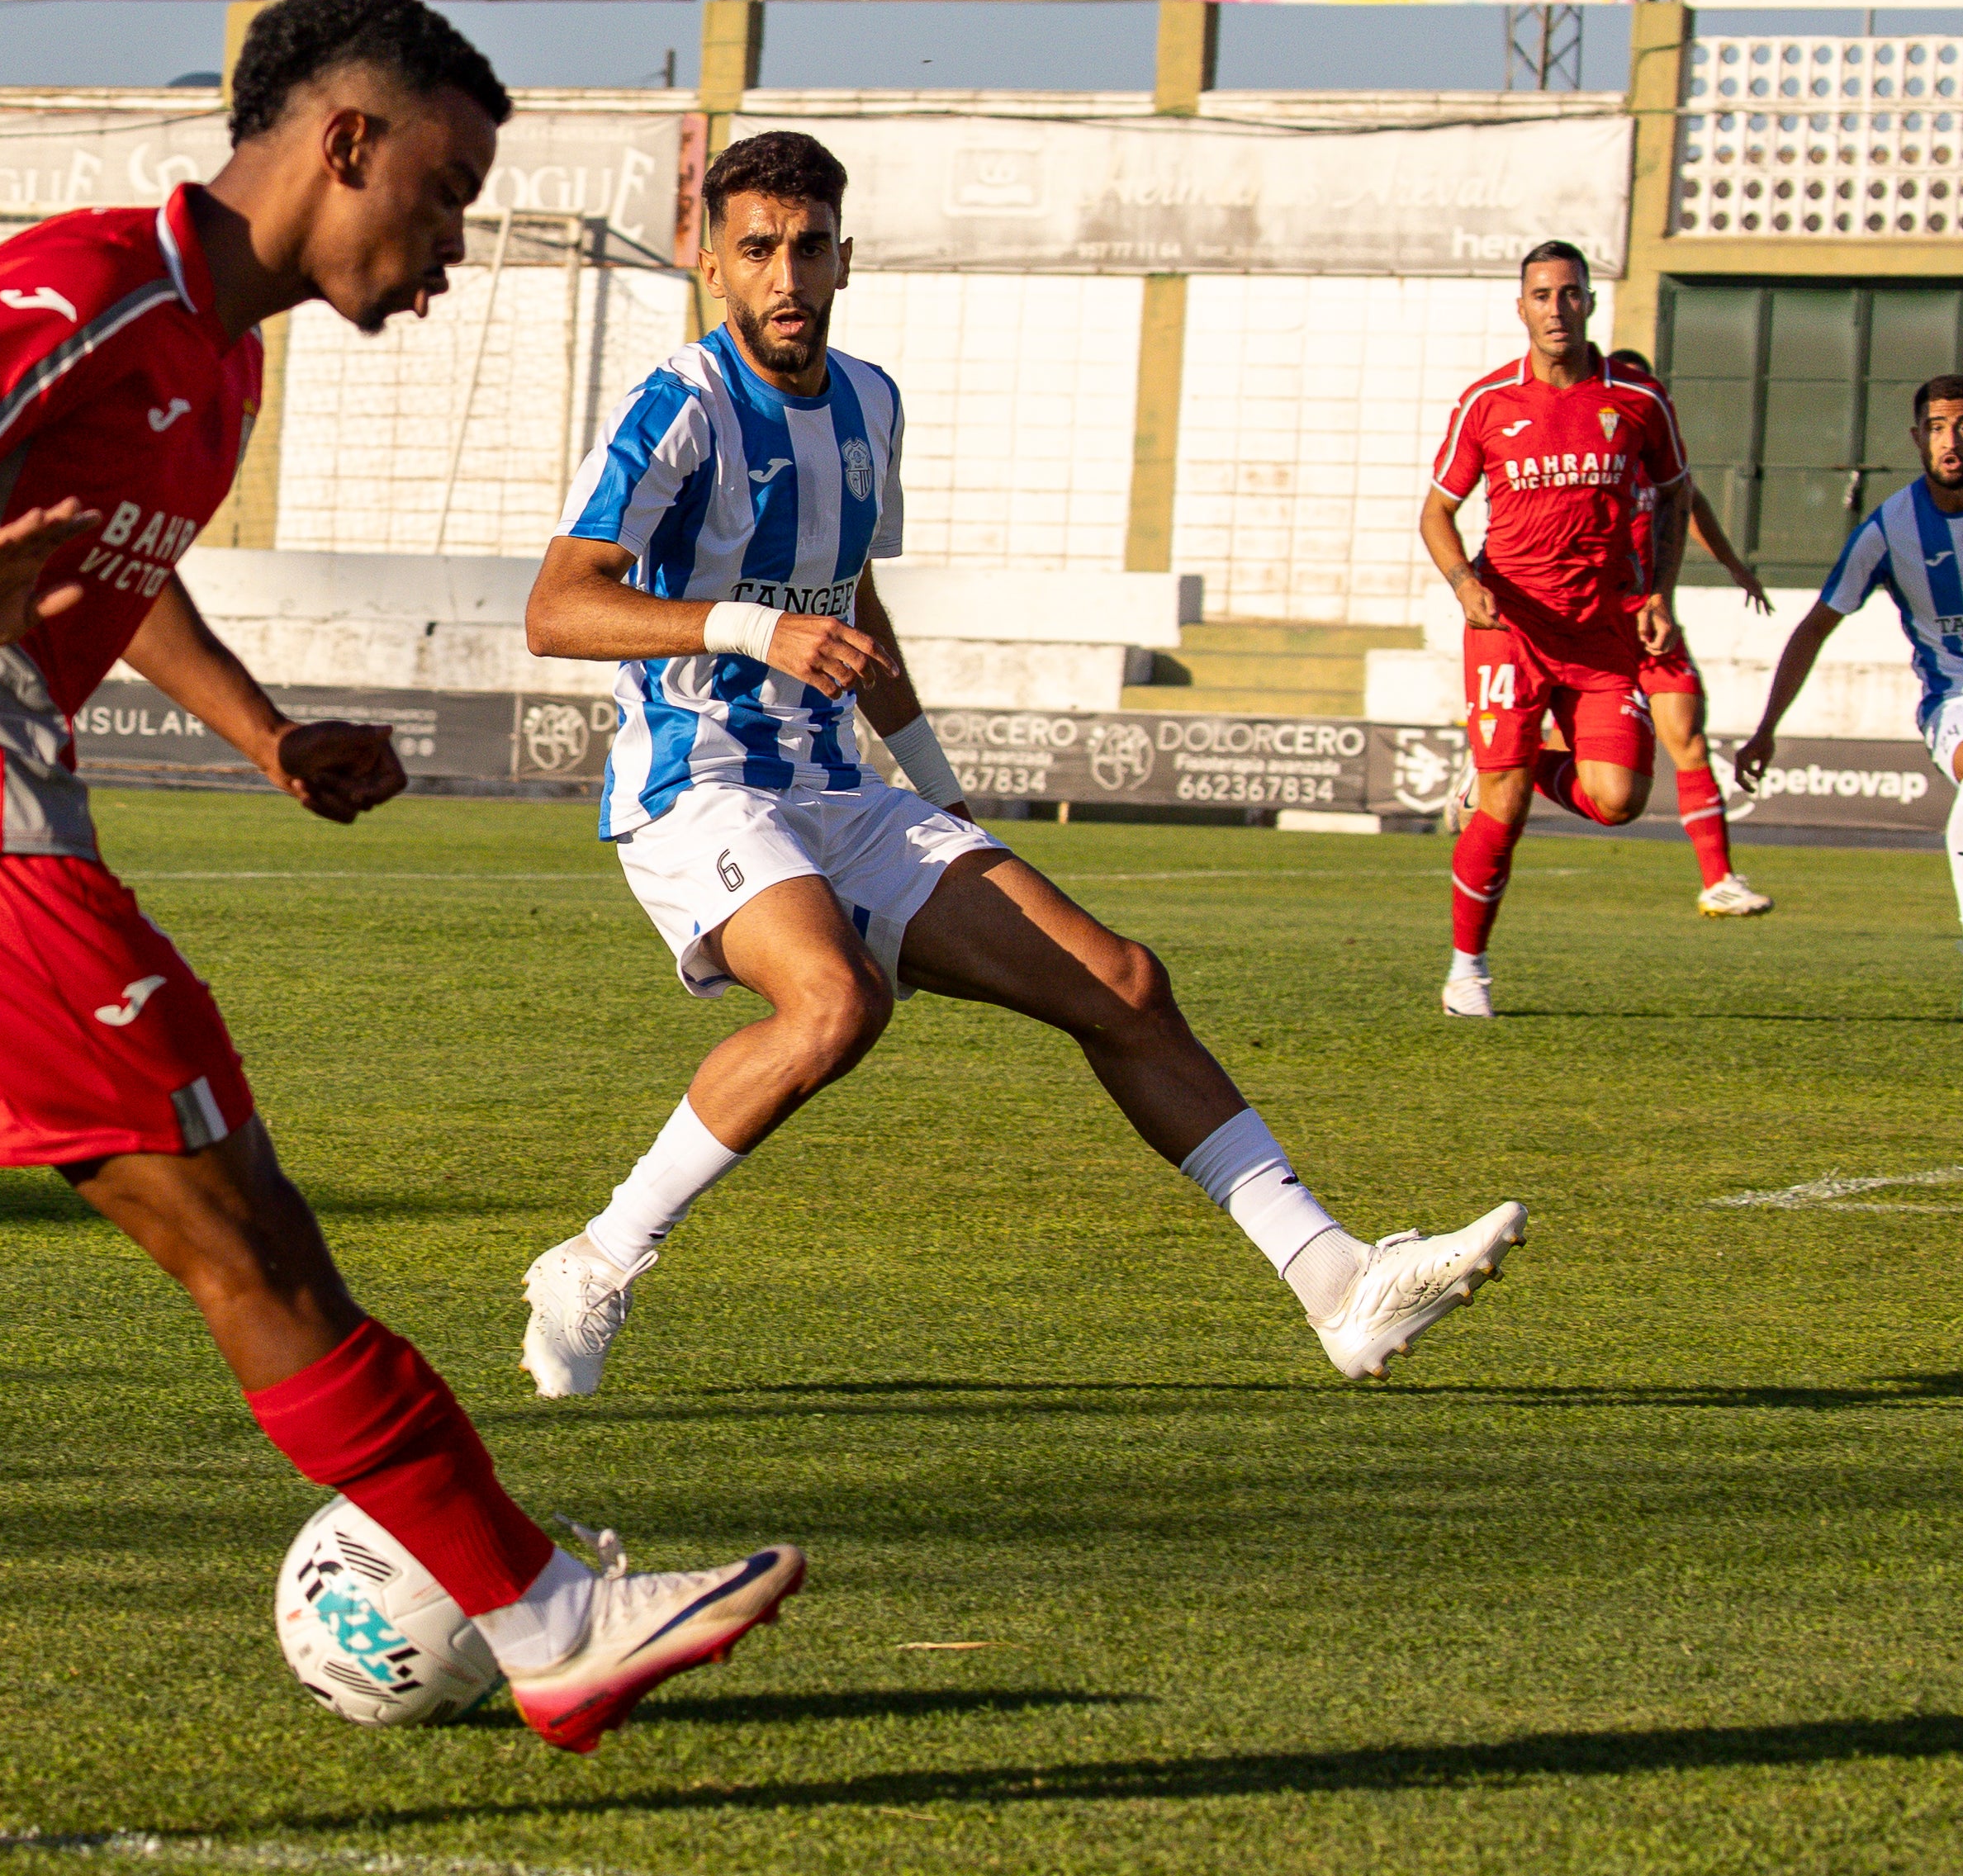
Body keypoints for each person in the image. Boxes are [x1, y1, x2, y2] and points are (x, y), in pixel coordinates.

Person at [0, 0, 806, 1874]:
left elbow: (120, 561)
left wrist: (263, 731)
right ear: (342, 140)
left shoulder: (221, 351)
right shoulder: (89, 275)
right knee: (250, 1240)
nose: (441, 252)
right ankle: (541, 1622)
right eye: (438, 194)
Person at [507, 129, 1525, 1404]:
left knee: (1119, 981)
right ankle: (595, 1262)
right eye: (755, 249)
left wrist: (932, 785)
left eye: (807, 248)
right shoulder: (681, 406)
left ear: (843, 259)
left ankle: (1338, 1284)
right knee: (832, 1003)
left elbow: (851, 601)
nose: (784, 275)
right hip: (696, 775)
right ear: (709, 264)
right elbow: (555, 608)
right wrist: (748, 628)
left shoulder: (870, 402)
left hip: (839, 790)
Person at [1736, 375, 1963, 1021]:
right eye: (1937, 427)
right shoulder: (1889, 530)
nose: (1951, 441)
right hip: (1962, 702)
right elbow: (1816, 625)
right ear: (1917, 437)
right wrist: (1765, 728)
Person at [1419, 244, 1691, 1018]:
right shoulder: (1488, 402)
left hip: (1600, 632)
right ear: (1522, 307)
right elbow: (1438, 512)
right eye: (1541, 295)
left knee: (1618, 799)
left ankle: (1515, 762)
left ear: (1590, 303)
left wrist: (1658, 593)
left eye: (1569, 295)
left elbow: (1676, 491)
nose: (1556, 309)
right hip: (1509, 624)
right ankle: (1467, 969)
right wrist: (1466, 583)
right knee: (1503, 808)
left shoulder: (1637, 400)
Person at [1603, 348, 1773, 917]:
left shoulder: (1658, 450)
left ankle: (1718, 880)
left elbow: (1690, 504)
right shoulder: (1592, 450)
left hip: (1654, 621)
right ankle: (1494, 758)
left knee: (1689, 739)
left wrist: (1734, 565)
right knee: (1587, 749)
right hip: (1601, 622)